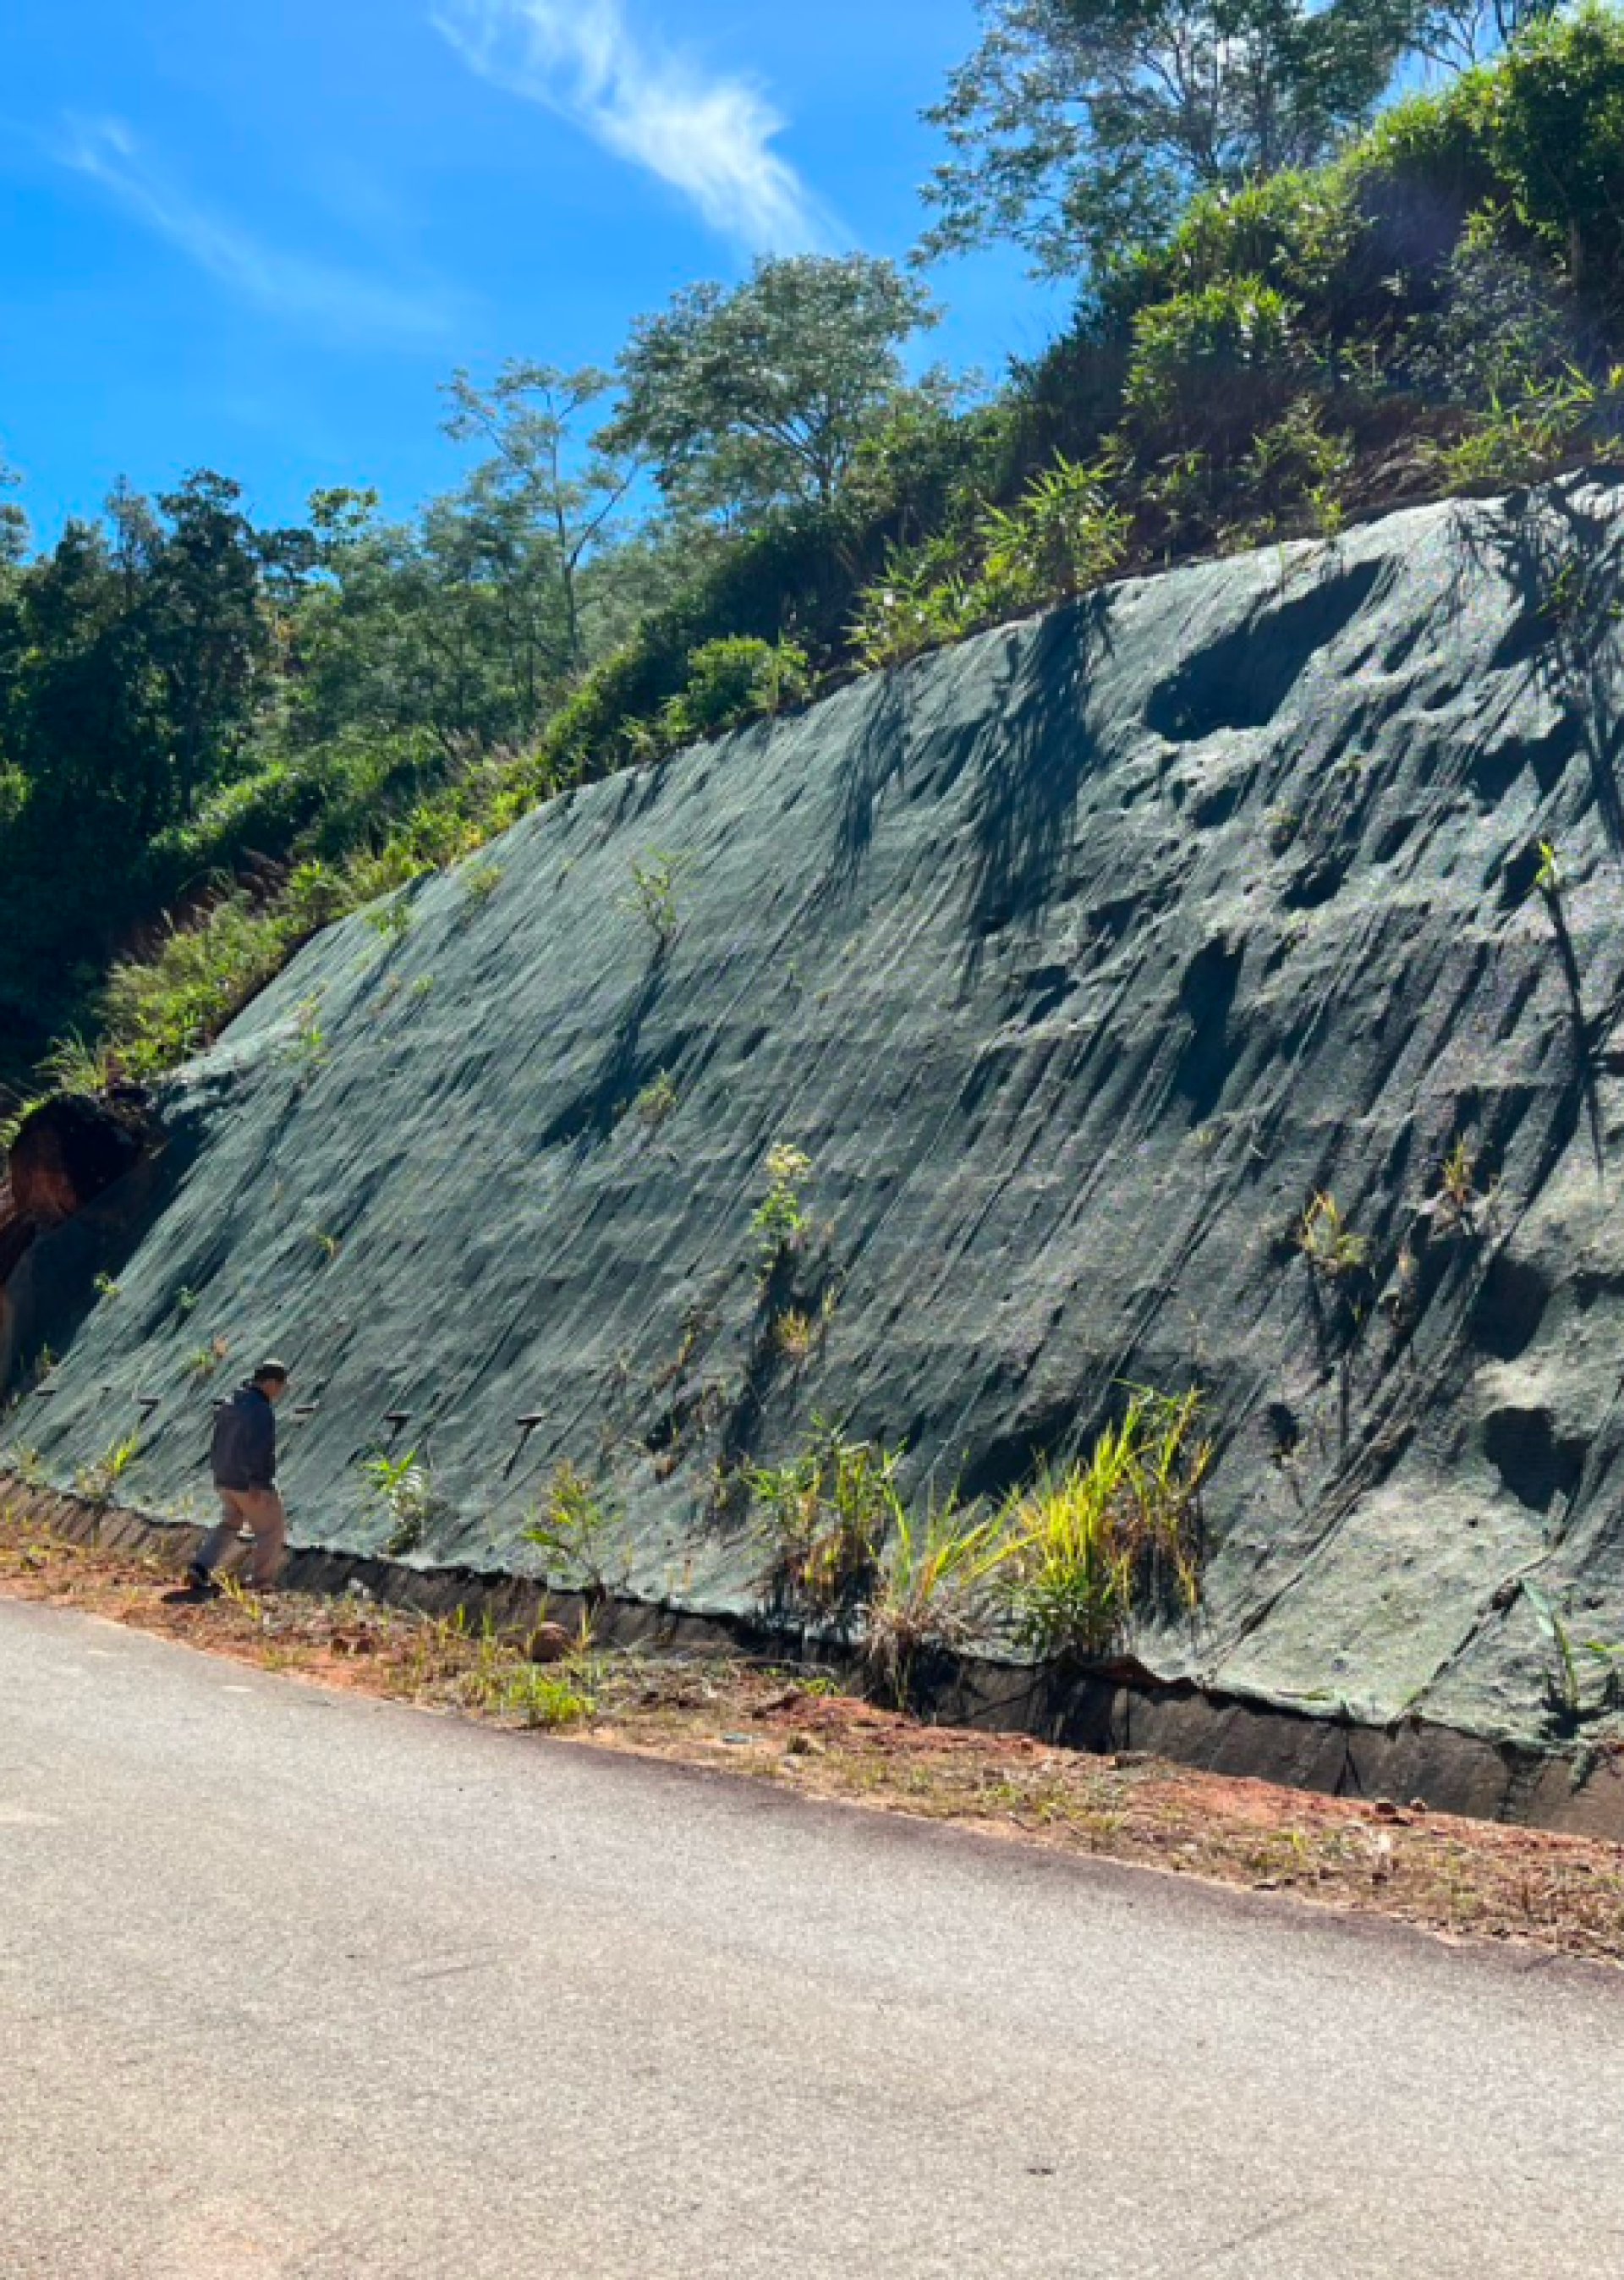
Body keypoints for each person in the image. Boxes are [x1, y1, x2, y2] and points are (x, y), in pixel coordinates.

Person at [187, 1360, 290, 1595]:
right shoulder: (261, 1409)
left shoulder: (231, 1402)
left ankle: (200, 1566)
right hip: (247, 1481)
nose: (280, 1392)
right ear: (271, 1383)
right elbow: (259, 1448)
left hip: (224, 1477)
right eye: (280, 1386)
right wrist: (259, 1483)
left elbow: (218, 1442)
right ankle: (262, 1581)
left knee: (230, 1523)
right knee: (271, 1528)